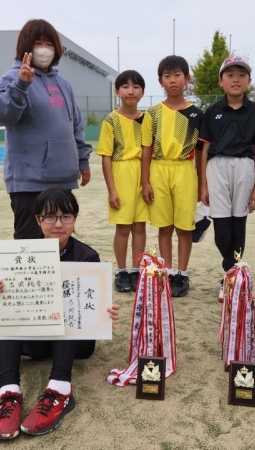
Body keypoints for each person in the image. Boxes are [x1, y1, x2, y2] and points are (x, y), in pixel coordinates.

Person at [0, 189, 120, 440]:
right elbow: (0, 314)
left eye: (66, 216)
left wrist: (105, 313)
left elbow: (91, 311)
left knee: (64, 304)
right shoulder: (18, 257)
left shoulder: (87, 256)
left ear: (75, 219)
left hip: (76, 344)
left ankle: (60, 387)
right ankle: (9, 391)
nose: (58, 224)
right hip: (33, 342)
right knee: (12, 317)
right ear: (37, 220)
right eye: (49, 217)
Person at [0, 19, 92, 240]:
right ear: (27, 46)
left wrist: (83, 161)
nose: (44, 49)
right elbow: (2, 114)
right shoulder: (12, 77)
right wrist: (21, 85)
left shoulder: (63, 83)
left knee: (61, 239)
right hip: (29, 181)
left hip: (63, 177)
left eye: (49, 43)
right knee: (30, 243)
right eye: (38, 43)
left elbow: (75, 124)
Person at [198, 54, 255, 298]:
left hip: (245, 167)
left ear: (249, 80)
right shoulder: (212, 111)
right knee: (222, 228)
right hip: (216, 168)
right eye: (230, 75)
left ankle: (230, 279)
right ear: (221, 81)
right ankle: (233, 270)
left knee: (239, 222)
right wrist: (203, 185)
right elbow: (205, 149)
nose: (236, 79)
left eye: (241, 75)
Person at [141, 55, 204, 297]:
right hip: (159, 170)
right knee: (164, 227)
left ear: (187, 78)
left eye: (178, 75)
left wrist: (202, 185)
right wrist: (145, 181)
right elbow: (147, 148)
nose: (173, 80)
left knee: (184, 228)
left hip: (185, 170)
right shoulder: (153, 114)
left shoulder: (196, 114)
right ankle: (165, 272)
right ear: (161, 81)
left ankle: (182, 274)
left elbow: (201, 152)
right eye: (167, 76)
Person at [96, 70, 151, 293]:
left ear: (142, 92)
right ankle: (121, 272)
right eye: (125, 86)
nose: (131, 91)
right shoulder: (111, 120)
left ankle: (136, 271)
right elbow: (106, 157)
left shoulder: (147, 120)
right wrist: (112, 190)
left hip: (143, 175)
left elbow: (149, 151)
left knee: (139, 226)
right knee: (123, 227)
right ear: (117, 91)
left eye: (136, 86)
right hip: (122, 175)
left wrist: (147, 182)